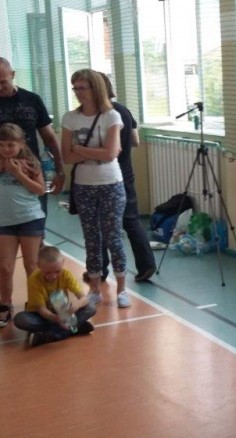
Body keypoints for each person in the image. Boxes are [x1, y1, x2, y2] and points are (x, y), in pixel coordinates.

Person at [61, 69, 129, 308]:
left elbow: (110, 155)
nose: (78, 92)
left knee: (113, 237)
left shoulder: (112, 116)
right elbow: (67, 156)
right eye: (75, 88)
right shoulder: (70, 118)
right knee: (91, 238)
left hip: (111, 184)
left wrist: (81, 149)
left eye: (83, 88)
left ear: (95, 88)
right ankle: (95, 289)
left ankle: (122, 289)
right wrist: (96, 152)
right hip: (83, 185)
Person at [82, 72, 155, 284]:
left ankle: (99, 270)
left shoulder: (98, 114)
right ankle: (146, 265)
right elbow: (135, 141)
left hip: (103, 175)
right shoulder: (123, 110)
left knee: (98, 223)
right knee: (130, 220)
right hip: (125, 172)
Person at [0, 57, 65, 214]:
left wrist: (60, 171)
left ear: (12, 75)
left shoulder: (32, 99)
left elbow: (49, 138)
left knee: (36, 219)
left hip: (31, 171)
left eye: (3, 82)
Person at [0, 123, 46, 327]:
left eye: (10, 144)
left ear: (21, 144)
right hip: (4, 222)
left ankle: (36, 303)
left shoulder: (30, 163)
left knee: (31, 265)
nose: (5, 149)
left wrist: (18, 174)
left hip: (29, 218)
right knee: (5, 267)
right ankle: (5, 305)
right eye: (1, 145)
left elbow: (40, 190)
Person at [13, 245, 96, 347]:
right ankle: (74, 328)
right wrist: (57, 319)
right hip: (41, 315)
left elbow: (84, 298)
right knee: (21, 319)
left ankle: (51, 335)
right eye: (48, 273)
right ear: (38, 265)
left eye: (57, 271)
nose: (53, 276)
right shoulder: (34, 279)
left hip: (62, 312)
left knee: (91, 307)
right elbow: (42, 310)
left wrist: (77, 305)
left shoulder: (66, 275)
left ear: (63, 263)